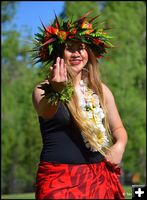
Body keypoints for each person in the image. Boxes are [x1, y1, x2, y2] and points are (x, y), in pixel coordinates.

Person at [32, 11, 128, 199]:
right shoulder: (43, 89)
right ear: (59, 53)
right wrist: (57, 92)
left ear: (88, 53)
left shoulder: (100, 90)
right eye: (70, 48)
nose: (76, 53)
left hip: (99, 178)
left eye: (81, 48)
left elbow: (118, 128)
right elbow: (46, 110)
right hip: (59, 182)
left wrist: (120, 146)